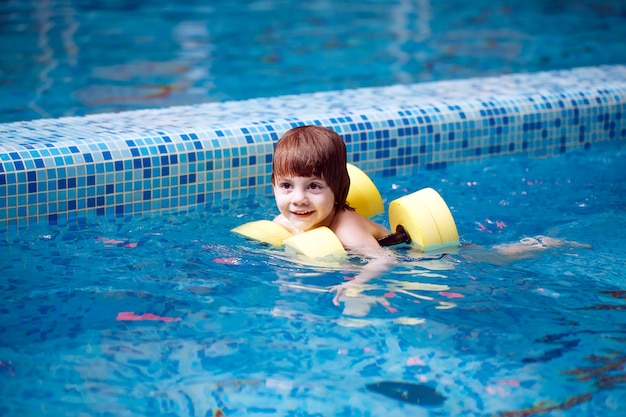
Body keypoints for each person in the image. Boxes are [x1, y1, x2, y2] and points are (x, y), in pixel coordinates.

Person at [271, 125, 395, 306]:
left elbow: (385, 259)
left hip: (394, 251)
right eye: (286, 186)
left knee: (354, 305)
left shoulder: (346, 229)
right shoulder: (283, 223)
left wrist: (355, 284)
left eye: (313, 186)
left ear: (336, 190)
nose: (298, 199)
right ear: (273, 185)